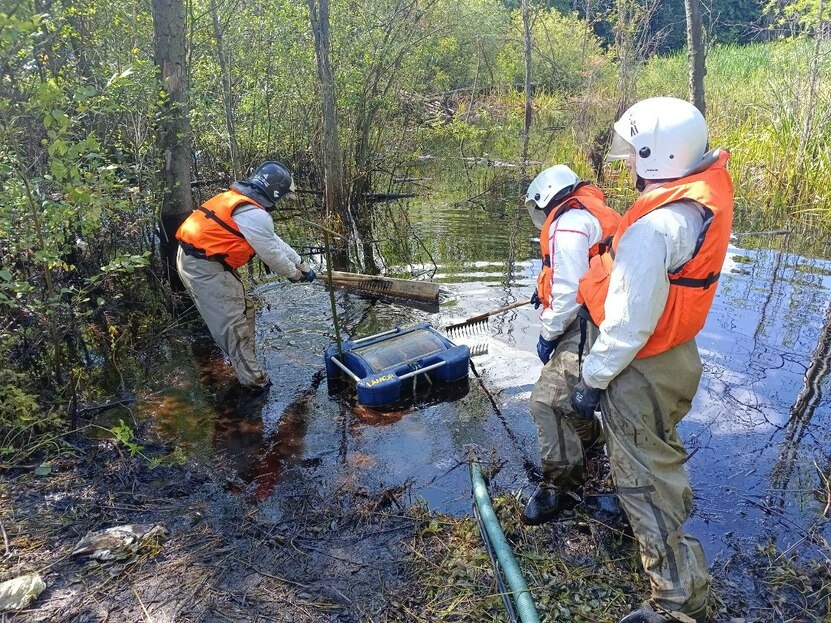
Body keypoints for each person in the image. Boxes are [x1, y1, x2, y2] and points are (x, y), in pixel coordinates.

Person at [570, 97, 734, 623]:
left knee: (643, 479)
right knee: (658, 456)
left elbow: (628, 325)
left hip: (640, 365)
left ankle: (677, 602)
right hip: (676, 355)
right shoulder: (696, 204)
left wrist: (592, 380)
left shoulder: (653, 228)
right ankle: (657, 522)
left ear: (655, 154)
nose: (629, 166)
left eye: (634, 154)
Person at [521, 164, 620, 525]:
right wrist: (542, 291)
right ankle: (592, 443)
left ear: (546, 200)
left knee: (545, 402)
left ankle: (560, 487)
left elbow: (567, 294)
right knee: (568, 395)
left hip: (590, 324)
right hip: (603, 319)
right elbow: (578, 273)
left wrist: (547, 335)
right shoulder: (589, 213)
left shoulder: (568, 224)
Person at [176, 161, 316, 393]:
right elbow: (271, 254)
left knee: (245, 308)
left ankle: (243, 360)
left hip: (206, 261)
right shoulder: (253, 214)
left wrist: (302, 265)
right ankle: (256, 383)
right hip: (202, 266)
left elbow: (274, 241)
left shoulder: (241, 204)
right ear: (275, 192)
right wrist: (293, 274)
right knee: (234, 326)